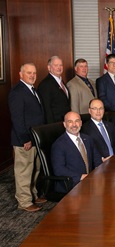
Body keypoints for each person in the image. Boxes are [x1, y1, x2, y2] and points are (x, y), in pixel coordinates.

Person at [8, 63, 46, 212]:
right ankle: (24, 201)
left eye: (34, 73)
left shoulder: (32, 90)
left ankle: (33, 195)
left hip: (35, 139)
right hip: (24, 140)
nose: (32, 75)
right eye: (28, 73)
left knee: (35, 169)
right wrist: (25, 139)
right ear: (20, 74)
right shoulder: (17, 92)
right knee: (24, 171)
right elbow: (17, 119)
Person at [51, 111, 104, 193]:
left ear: (81, 123)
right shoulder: (59, 145)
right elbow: (59, 169)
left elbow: (97, 159)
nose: (74, 125)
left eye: (77, 121)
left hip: (90, 181)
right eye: (70, 122)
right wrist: (81, 176)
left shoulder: (88, 139)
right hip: (71, 184)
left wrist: (99, 172)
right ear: (64, 124)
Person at [38, 56, 70, 123]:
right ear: (49, 67)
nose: (59, 67)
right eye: (56, 65)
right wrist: (51, 127)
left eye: (61, 65)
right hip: (55, 124)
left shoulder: (62, 82)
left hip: (65, 122)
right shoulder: (45, 84)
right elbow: (47, 109)